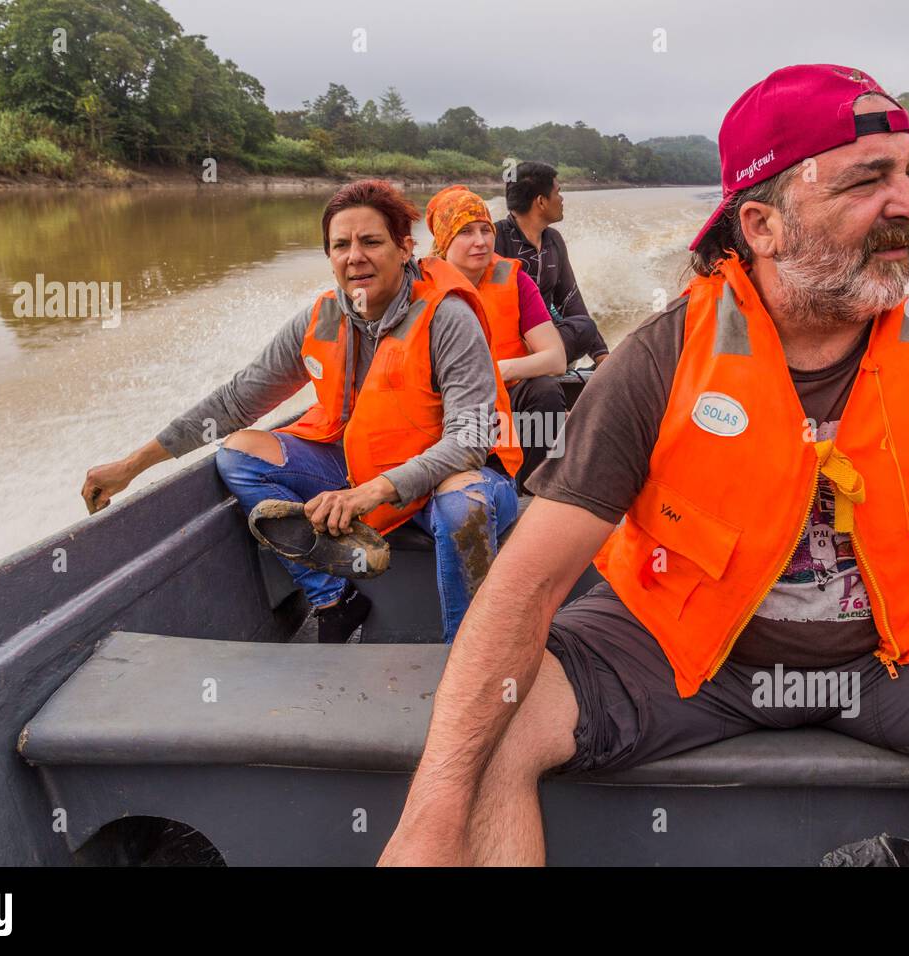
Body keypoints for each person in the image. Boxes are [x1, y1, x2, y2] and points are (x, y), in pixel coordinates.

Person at [379, 64, 909, 866]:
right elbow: (528, 582)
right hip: (692, 650)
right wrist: (435, 808)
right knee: (485, 727)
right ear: (761, 225)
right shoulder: (664, 359)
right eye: (868, 182)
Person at [81, 179, 522, 645]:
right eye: (341, 245)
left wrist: (372, 493)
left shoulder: (448, 318)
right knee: (239, 453)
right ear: (328, 256)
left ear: (405, 248)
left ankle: (468, 655)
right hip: (365, 471)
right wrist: (132, 466)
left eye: (371, 242)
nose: (355, 256)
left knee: (462, 503)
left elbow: (469, 442)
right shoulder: (324, 318)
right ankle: (334, 598)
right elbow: (235, 401)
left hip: (454, 479)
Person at [425, 185, 567, 494]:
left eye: (485, 230)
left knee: (545, 391)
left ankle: (528, 488)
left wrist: (500, 371)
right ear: (444, 240)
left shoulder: (515, 279)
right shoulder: (420, 288)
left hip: (506, 397)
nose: (480, 242)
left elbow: (556, 359)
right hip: (445, 404)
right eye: (465, 232)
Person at [494, 161, 609, 368]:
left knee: (584, 326)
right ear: (541, 201)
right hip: (503, 341)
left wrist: (602, 356)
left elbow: (569, 299)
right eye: (558, 192)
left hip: (546, 339)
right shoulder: (495, 239)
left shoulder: (553, 240)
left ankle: (545, 360)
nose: (562, 199)